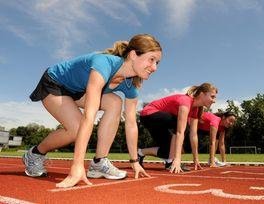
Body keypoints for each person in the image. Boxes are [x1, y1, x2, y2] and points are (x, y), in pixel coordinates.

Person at [23, 34, 162, 188]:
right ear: (133, 54)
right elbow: (89, 116)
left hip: (78, 90)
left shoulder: (131, 85)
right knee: (76, 128)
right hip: (55, 83)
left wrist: (135, 161)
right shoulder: (104, 63)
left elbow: (131, 124)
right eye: (151, 59)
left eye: (157, 62)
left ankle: (99, 162)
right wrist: (77, 166)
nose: (155, 67)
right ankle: (35, 154)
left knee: (115, 102)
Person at [137, 83, 218, 173]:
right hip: (148, 114)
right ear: (202, 94)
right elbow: (180, 131)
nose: (214, 100)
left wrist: (196, 159)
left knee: (166, 151)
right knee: (183, 125)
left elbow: (193, 135)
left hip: (158, 123)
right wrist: (177, 159)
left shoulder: (196, 109)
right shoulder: (186, 101)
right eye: (212, 97)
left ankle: (140, 153)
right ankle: (171, 162)